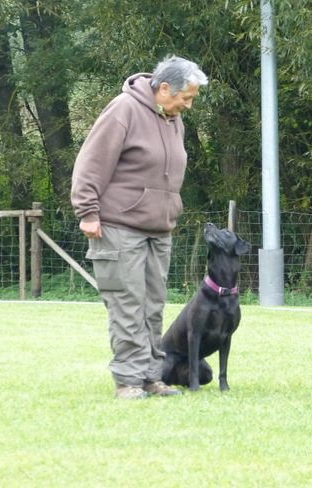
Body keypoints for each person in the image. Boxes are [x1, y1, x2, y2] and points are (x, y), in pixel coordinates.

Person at [70, 55, 208, 399]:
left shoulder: (173, 119)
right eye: (185, 97)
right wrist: (87, 211)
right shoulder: (123, 109)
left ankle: (151, 377)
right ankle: (128, 381)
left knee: (152, 306)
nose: (188, 105)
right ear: (165, 88)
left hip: (158, 229)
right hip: (118, 226)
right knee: (127, 305)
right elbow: (91, 162)